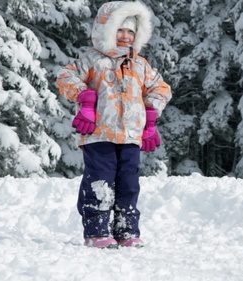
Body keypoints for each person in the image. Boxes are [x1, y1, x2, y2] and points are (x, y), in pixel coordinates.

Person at [56, 1, 172, 248]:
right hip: (99, 134)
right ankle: (96, 231)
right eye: (120, 30)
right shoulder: (91, 59)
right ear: (106, 30)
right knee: (100, 180)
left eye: (131, 32)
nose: (125, 36)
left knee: (129, 184)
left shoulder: (140, 64)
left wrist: (151, 115)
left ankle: (126, 231)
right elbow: (66, 77)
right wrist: (84, 97)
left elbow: (160, 88)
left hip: (130, 136)